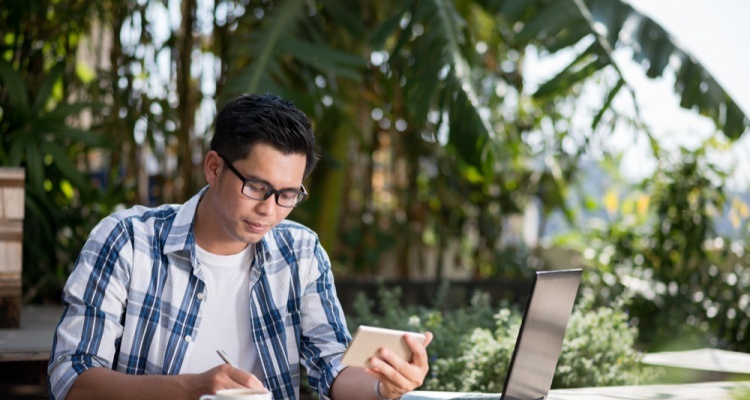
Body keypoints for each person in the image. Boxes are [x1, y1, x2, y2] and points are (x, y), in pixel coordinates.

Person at [48, 93, 433, 400]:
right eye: (256, 187)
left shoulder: (301, 253)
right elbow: (71, 377)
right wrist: (189, 390)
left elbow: (332, 367)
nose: (269, 210)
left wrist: (384, 387)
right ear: (214, 168)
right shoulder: (127, 241)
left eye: (287, 195)